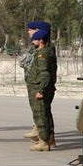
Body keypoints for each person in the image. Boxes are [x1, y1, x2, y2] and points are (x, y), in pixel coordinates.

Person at [26, 22, 58, 151]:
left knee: (40, 114)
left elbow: (45, 74)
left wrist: (40, 90)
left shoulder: (42, 53)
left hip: (39, 86)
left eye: (35, 39)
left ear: (41, 41)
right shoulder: (46, 50)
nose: (32, 41)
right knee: (44, 113)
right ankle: (48, 139)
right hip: (42, 86)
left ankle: (43, 141)